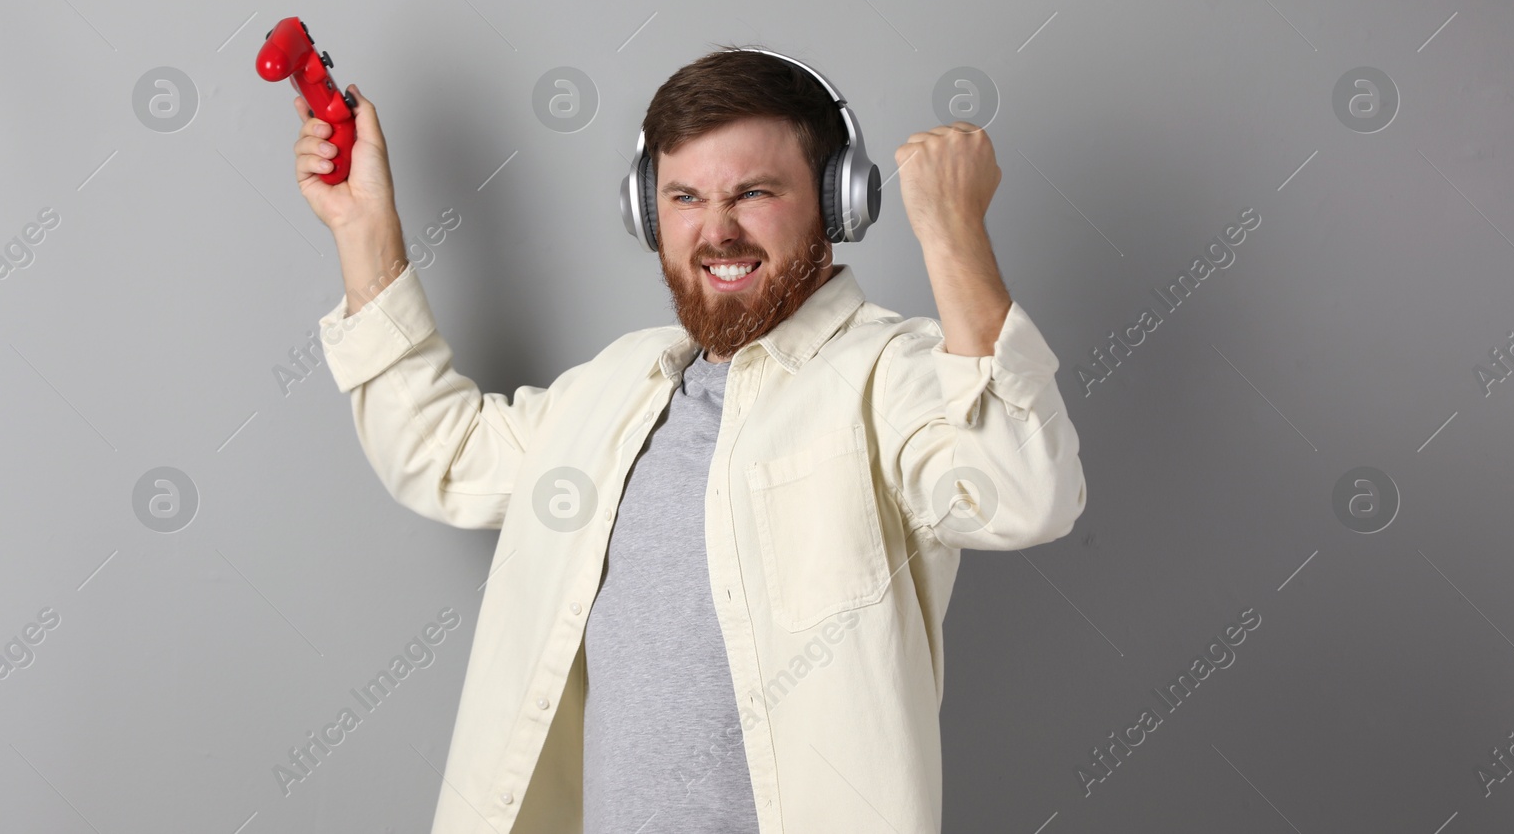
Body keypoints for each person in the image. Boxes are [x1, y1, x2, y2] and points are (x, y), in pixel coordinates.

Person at [293, 47, 1087, 834]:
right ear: (647, 211)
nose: (718, 231)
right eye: (684, 197)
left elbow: (1023, 495)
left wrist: (953, 236)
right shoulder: (614, 388)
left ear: (839, 200)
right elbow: (440, 452)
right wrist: (364, 230)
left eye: (754, 192)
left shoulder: (892, 375)